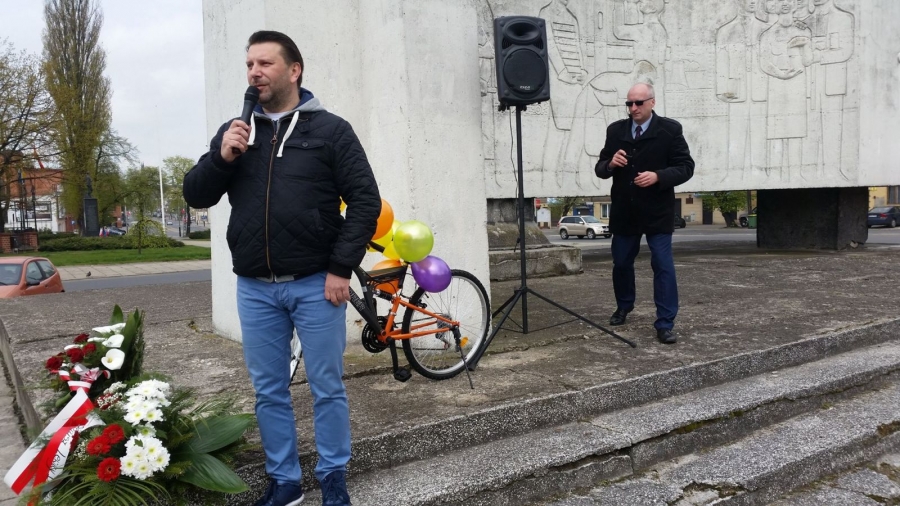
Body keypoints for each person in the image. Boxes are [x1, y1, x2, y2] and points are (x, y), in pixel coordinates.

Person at [183, 30, 380, 506]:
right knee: (269, 390)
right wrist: (222, 157)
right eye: (250, 64)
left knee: (326, 386)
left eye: (265, 63)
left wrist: (341, 268)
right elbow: (196, 195)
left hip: (316, 284)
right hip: (255, 288)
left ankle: (332, 475)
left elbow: (365, 202)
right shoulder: (237, 131)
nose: (255, 72)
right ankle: (284, 481)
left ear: (294, 70)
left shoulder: (331, 131)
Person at [594, 82, 694, 344]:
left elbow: (686, 167)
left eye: (639, 103)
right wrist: (610, 164)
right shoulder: (615, 130)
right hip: (625, 210)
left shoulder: (670, 130)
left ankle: (665, 323)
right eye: (629, 103)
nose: (633, 108)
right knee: (621, 263)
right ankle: (624, 305)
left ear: (652, 102)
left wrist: (658, 176)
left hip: (657, 211)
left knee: (662, 265)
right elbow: (600, 168)